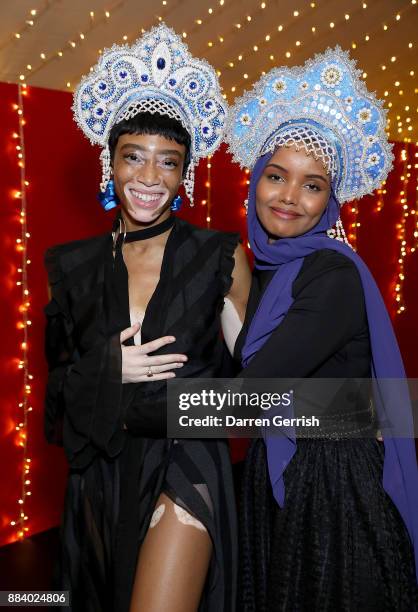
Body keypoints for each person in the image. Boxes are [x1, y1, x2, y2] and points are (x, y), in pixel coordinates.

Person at [44, 24, 251, 612]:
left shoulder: (219, 256)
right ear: (110, 163)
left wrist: (355, 408)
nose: (149, 178)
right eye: (134, 157)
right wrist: (109, 368)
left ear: (183, 173)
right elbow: (56, 400)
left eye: (169, 162)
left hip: (187, 456)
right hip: (102, 473)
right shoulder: (73, 267)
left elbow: (260, 374)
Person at [225, 47, 418, 610]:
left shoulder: (330, 273)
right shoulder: (269, 267)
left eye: (312, 186)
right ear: (256, 178)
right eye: (278, 176)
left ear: (329, 201)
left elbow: (250, 393)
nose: (289, 197)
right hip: (279, 467)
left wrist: (131, 407)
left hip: (333, 480)